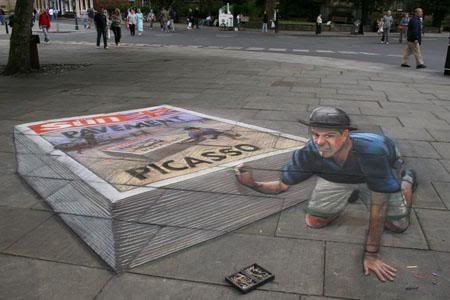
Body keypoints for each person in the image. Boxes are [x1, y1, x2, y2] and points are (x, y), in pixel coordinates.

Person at [235, 106, 417, 282]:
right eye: (315, 135)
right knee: (314, 221)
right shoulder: (311, 151)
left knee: (397, 225)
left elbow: (379, 208)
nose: (320, 142)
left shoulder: (372, 153)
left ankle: (406, 181)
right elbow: (282, 185)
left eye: (329, 136)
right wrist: (252, 184)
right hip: (337, 176)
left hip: (376, 169)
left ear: (345, 134)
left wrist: (371, 255)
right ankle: (350, 193)